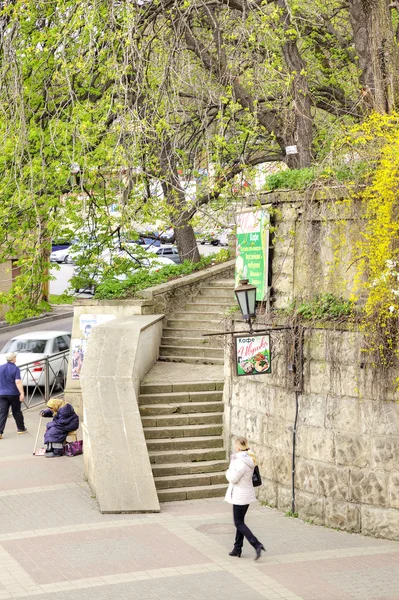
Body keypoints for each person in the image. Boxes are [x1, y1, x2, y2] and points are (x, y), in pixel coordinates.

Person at [225, 436, 265, 560]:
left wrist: (227, 472)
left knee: (238, 523)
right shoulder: (249, 458)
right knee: (240, 522)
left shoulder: (240, 461)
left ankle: (256, 544)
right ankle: (237, 548)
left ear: (238, 447)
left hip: (239, 495)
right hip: (246, 494)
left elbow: (233, 478)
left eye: (235, 445)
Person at [0, 352, 27, 439]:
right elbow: (18, 382)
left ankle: (0, 432)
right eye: (15, 357)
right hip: (14, 394)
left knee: (3, 412)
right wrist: (22, 393)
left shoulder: (1, 367)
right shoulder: (15, 369)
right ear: (13, 359)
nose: (16, 358)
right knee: (16, 411)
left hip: (2, 394)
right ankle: (21, 428)